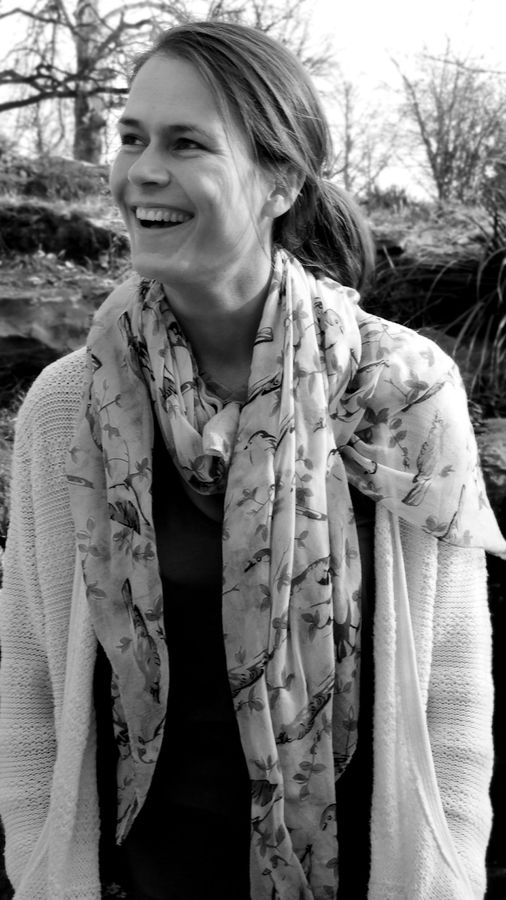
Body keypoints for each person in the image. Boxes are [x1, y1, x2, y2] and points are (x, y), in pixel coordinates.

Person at [0, 20, 505, 900]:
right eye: (131, 138)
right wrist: (40, 871)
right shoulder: (67, 406)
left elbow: (454, 687)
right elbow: (32, 681)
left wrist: (450, 871)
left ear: (281, 181)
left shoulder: (399, 392)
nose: (140, 170)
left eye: (185, 143)